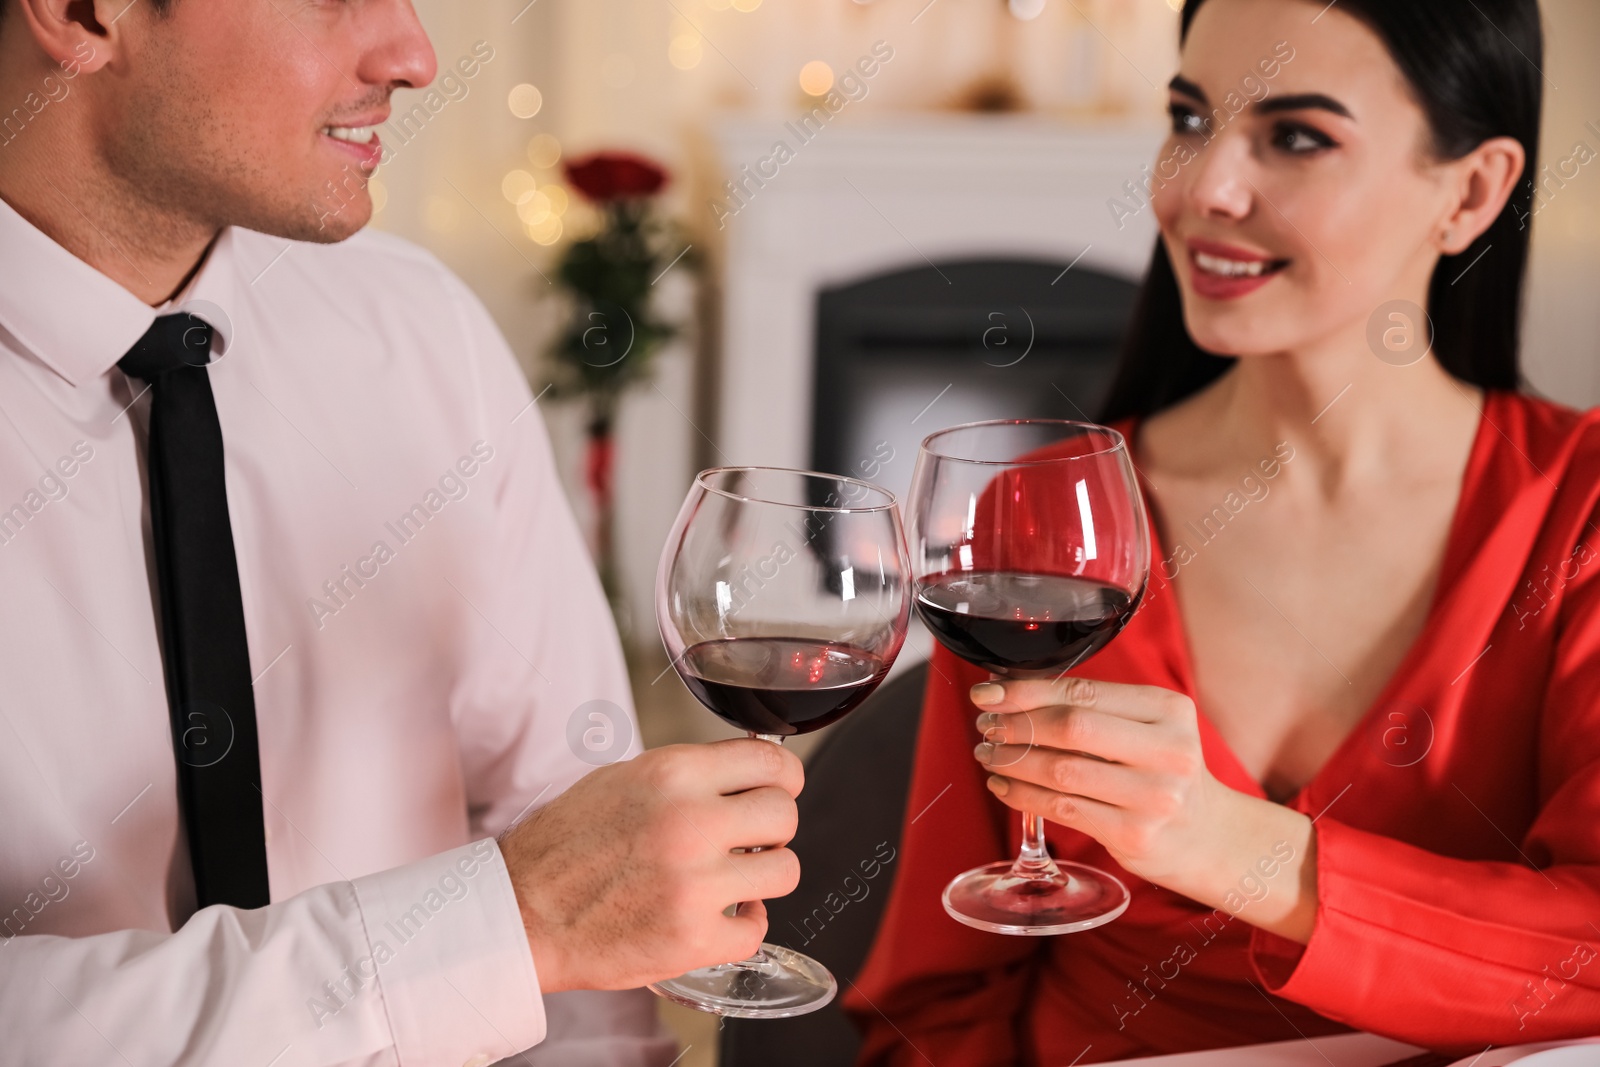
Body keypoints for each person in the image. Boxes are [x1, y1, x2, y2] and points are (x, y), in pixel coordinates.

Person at [0, 1, 803, 1064]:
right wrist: (504, 928)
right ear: (82, 13)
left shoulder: (422, 332)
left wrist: (553, 933)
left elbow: (569, 828)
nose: (414, 56)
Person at [847, 0, 1600, 1062]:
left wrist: (1233, 845)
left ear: (1470, 191)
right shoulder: (1041, 513)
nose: (1202, 189)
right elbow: (937, 1001)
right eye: (1189, 118)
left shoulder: (1581, 510)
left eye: (1296, 136)